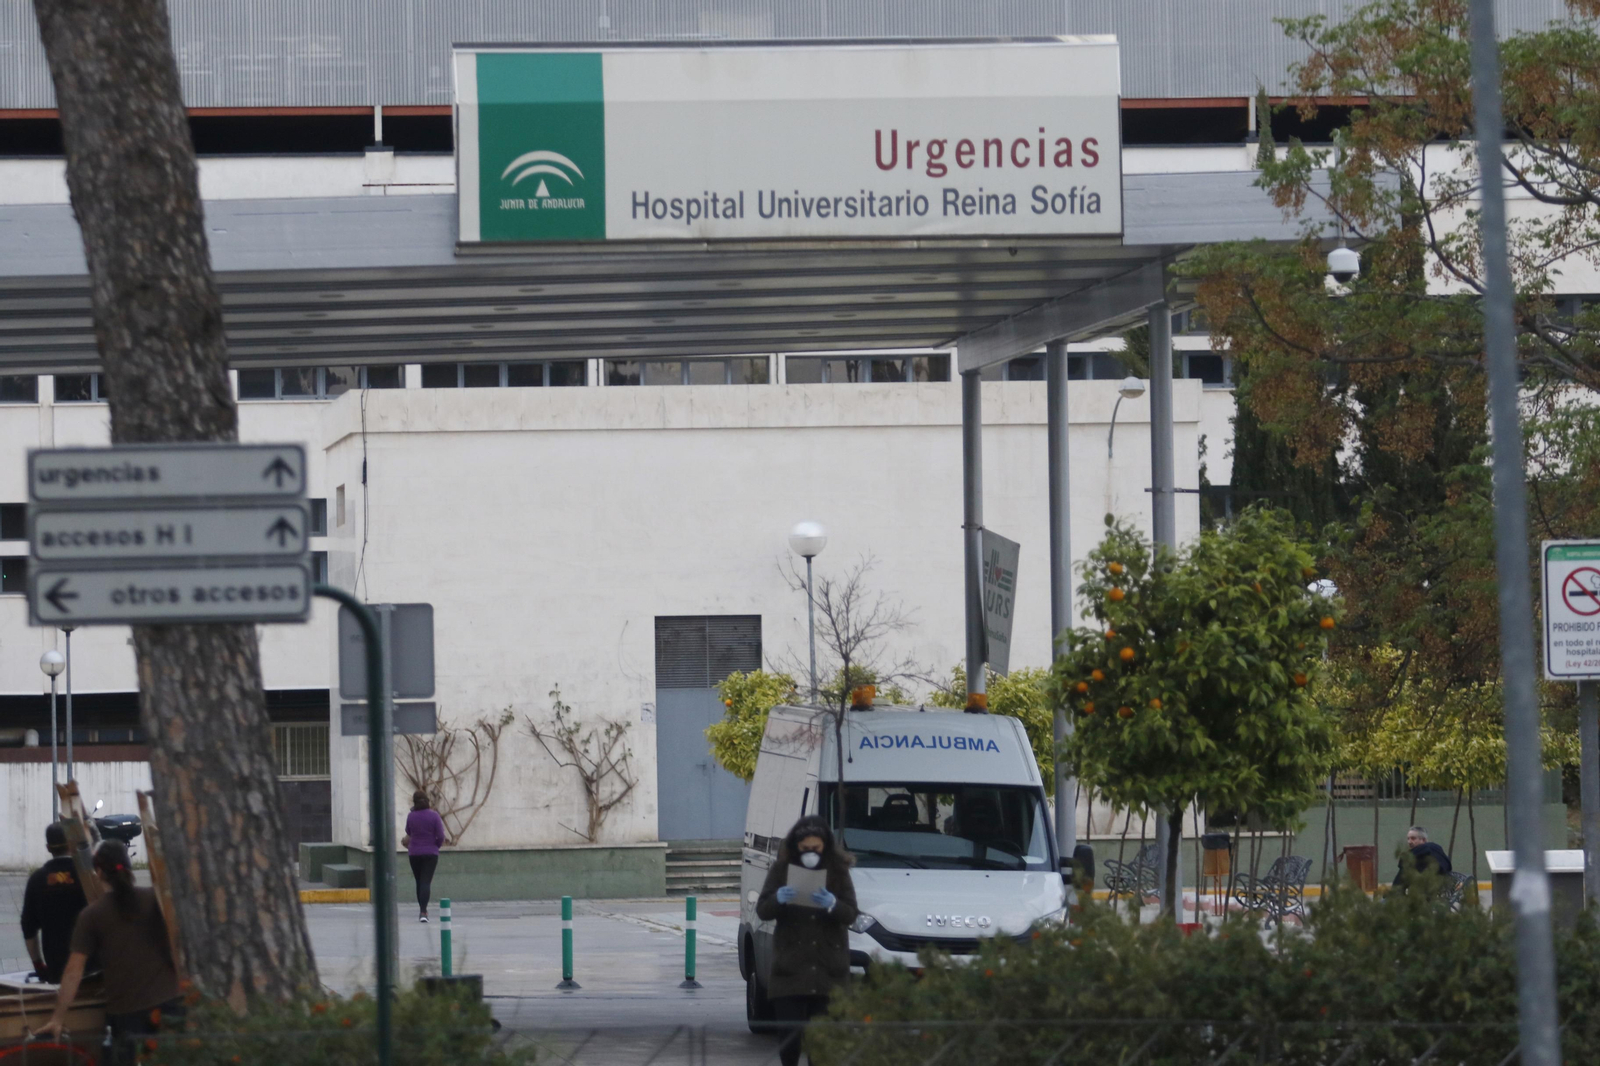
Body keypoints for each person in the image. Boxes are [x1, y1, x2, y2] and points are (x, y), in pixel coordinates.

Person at [32, 840, 182, 1063]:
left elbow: (73, 971)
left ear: (99, 872)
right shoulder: (154, 899)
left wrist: (57, 1018)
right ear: (129, 868)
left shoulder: (92, 915)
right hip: (169, 1005)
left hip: (127, 1014)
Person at [756, 815, 859, 1066]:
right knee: (789, 1040)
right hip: (790, 971)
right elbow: (763, 910)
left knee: (822, 1044)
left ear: (825, 846)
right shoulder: (782, 869)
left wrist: (833, 904)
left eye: (816, 848)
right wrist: (778, 899)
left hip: (827, 970)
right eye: (805, 849)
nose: (810, 854)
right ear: (795, 847)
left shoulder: (837, 871)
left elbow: (852, 914)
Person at [20, 823, 88, 984]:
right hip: (91, 965)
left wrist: (38, 964)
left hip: (58, 967)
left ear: (48, 847)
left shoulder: (37, 880)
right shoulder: (87, 876)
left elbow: (28, 927)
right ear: (71, 845)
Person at [402, 789, 448, 922]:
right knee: (426, 881)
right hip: (430, 853)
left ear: (414, 803)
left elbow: (409, 832)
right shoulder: (434, 816)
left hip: (414, 853)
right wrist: (435, 846)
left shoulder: (411, 816)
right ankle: (423, 912)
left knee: (419, 881)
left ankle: (422, 911)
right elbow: (440, 836)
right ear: (427, 801)